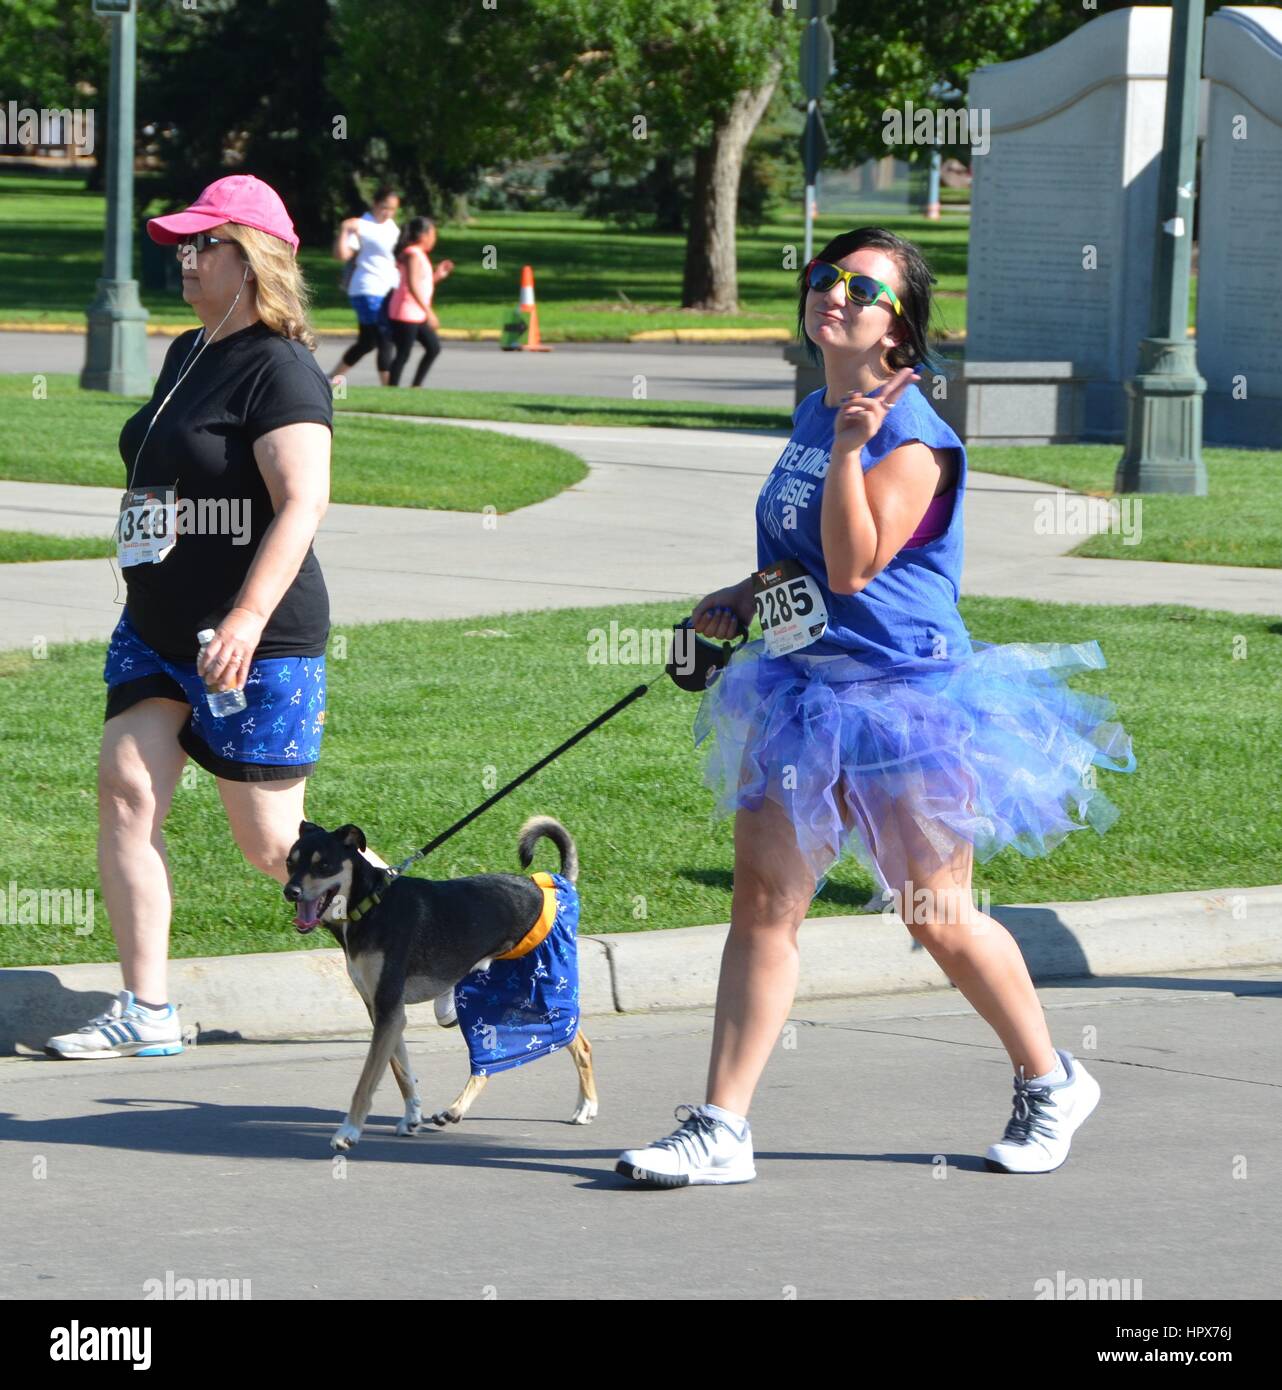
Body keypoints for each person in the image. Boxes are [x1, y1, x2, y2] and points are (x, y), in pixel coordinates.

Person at [617, 226, 1137, 1186]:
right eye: (826, 278)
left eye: (864, 287)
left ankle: (1052, 1077)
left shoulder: (911, 437)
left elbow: (856, 566)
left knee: (935, 911)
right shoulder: (821, 410)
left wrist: (856, 449)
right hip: (804, 692)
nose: (837, 295)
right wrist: (734, 600)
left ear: (900, 324)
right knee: (764, 907)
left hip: (905, 700)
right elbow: (806, 561)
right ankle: (721, 1127)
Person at [46, 173, 383, 1058]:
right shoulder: (187, 351)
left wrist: (243, 618)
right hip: (157, 629)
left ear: (254, 260)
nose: (185, 260)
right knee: (126, 792)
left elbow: (302, 504)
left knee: (274, 848)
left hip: (255, 640)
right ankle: (147, 1010)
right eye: (183, 246)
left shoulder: (282, 369)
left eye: (203, 246)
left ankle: (428, 928)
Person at [330, 186, 401, 387]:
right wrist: (344, 230)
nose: (388, 213)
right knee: (384, 336)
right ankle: (389, 388)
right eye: (385, 207)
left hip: (389, 289)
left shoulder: (392, 227)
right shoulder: (362, 225)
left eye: (393, 209)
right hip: (367, 287)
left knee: (367, 342)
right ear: (375, 204)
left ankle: (331, 379)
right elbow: (342, 255)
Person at [386, 216, 454, 388]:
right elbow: (412, 285)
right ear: (423, 236)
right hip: (406, 312)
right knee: (403, 354)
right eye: (433, 234)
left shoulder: (417, 254)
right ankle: (392, 389)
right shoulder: (412, 254)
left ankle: (416, 386)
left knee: (433, 348)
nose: (434, 239)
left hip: (415, 312)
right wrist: (429, 312)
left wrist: (438, 275)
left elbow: (421, 283)